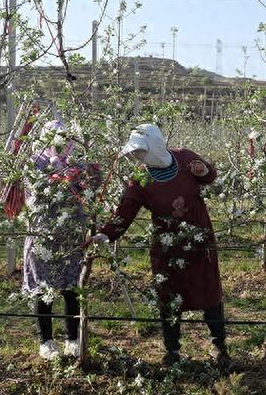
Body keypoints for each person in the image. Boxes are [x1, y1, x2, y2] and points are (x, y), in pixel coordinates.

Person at [88, 124, 230, 367]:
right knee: (168, 296)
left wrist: (203, 169)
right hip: (167, 247)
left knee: (209, 293)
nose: (136, 157)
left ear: (154, 147)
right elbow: (126, 210)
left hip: (198, 243)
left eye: (140, 152)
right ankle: (172, 351)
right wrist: (106, 234)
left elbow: (210, 177)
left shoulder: (185, 158)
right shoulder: (141, 178)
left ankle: (219, 348)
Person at [22, 119, 101, 360]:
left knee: (71, 287)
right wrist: (57, 177)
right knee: (42, 287)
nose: (61, 144)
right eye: (55, 139)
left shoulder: (78, 163)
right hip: (43, 234)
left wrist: (91, 175)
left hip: (71, 233)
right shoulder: (34, 162)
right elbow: (36, 193)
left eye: (65, 139)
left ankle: (73, 338)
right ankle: (45, 341)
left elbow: (91, 191)